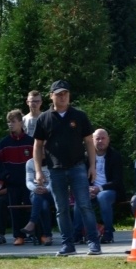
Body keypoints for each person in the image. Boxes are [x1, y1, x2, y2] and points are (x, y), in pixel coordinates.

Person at [32, 80, 101, 256]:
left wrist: (92, 166)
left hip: (78, 167)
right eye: (59, 94)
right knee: (61, 208)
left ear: (69, 95)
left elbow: (89, 142)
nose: (63, 97)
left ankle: (94, 242)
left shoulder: (79, 116)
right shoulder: (44, 118)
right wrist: (38, 170)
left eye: (65, 94)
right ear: (51, 96)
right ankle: (67, 244)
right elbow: (37, 146)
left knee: (84, 205)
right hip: (55, 169)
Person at [72, 128, 124, 244]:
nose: (100, 141)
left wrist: (99, 188)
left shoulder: (115, 156)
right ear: (92, 140)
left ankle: (108, 234)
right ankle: (77, 235)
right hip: (90, 190)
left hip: (109, 190)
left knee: (103, 196)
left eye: (103, 138)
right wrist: (87, 189)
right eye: (97, 138)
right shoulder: (85, 157)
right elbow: (79, 178)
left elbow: (117, 181)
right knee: (80, 199)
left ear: (108, 140)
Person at [0, 109, 34, 245]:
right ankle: (18, 236)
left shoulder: (30, 141)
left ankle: (35, 234)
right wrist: (6, 176)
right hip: (12, 183)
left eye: (13, 121)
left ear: (21, 122)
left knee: (30, 206)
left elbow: (37, 160)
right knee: (14, 209)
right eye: (9, 122)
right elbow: (0, 164)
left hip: (29, 181)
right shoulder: (4, 143)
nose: (10, 124)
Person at [23, 157, 54, 245]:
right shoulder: (30, 163)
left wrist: (47, 189)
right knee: (44, 206)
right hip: (36, 191)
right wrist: (35, 189)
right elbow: (28, 181)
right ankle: (48, 236)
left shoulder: (52, 161)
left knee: (41, 200)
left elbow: (54, 180)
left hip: (51, 192)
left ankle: (32, 222)